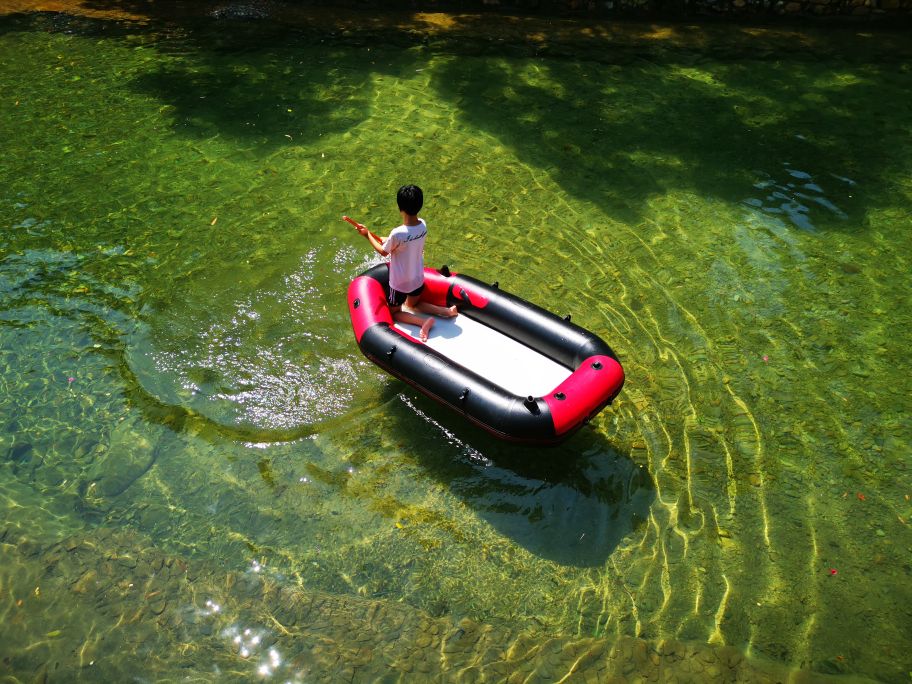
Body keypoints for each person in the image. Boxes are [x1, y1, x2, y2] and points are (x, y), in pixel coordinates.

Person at [346, 185, 457, 341]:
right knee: (413, 305)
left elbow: (384, 251)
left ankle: (423, 322)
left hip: (399, 284)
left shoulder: (397, 233)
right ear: (420, 204)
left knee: (395, 312)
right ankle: (445, 312)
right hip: (418, 278)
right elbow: (405, 242)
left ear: (400, 207)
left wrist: (367, 234)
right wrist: (389, 240)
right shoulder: (423, 225)